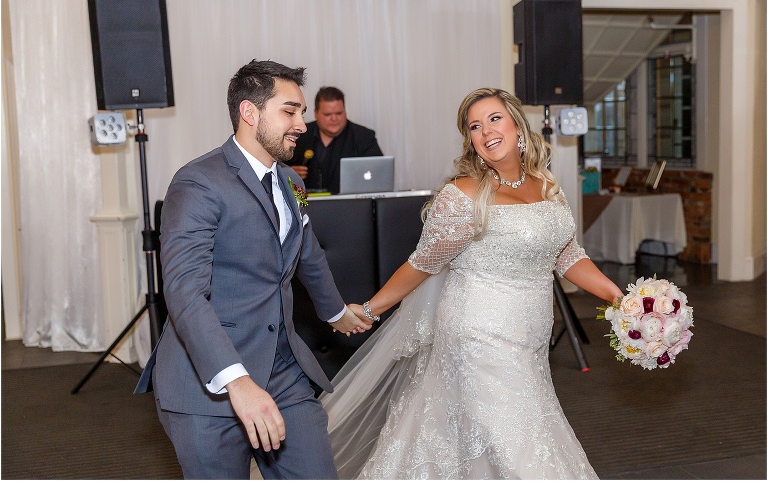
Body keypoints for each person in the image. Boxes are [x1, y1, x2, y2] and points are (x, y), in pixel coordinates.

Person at [319, 88, 624, 479]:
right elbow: (422, 265)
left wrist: (621, 299)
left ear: (517, 125)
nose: (486, 131)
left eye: (494, 119)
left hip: (529, 340)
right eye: (474, 126)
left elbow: (566, 256)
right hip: (479, 336)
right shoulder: (463, 195)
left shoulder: (546, 186)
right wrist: (368, 309)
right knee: (521, 450)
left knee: (482, 442)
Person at [134, 59, 371, 480]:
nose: (302, 123)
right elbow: (185, 293)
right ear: (250, 112)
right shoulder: (197, 183)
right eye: (290, 111)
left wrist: (335, 312)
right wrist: (236, 383)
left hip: (282, 369)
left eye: (302, 111)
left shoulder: (292, 184)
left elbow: (308, 254)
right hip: (208, 381)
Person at [287, 86, 383, 193]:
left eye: (339, 113)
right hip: (306, 205)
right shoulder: (299, 134)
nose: (334, 119)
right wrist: (287, 172)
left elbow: (380, 175)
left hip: (349, 205)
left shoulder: (363, 137)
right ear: (316, 113)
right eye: (328, 114)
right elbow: (275, 167)